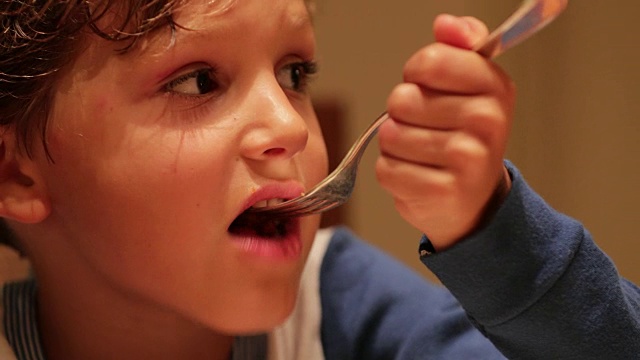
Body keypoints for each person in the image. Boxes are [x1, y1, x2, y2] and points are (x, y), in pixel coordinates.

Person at [0, 0, 638, 359]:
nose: (290, 126)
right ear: (16, 173)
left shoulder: (342, 310)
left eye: (294, 74)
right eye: (197, 81)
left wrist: (492, 229)